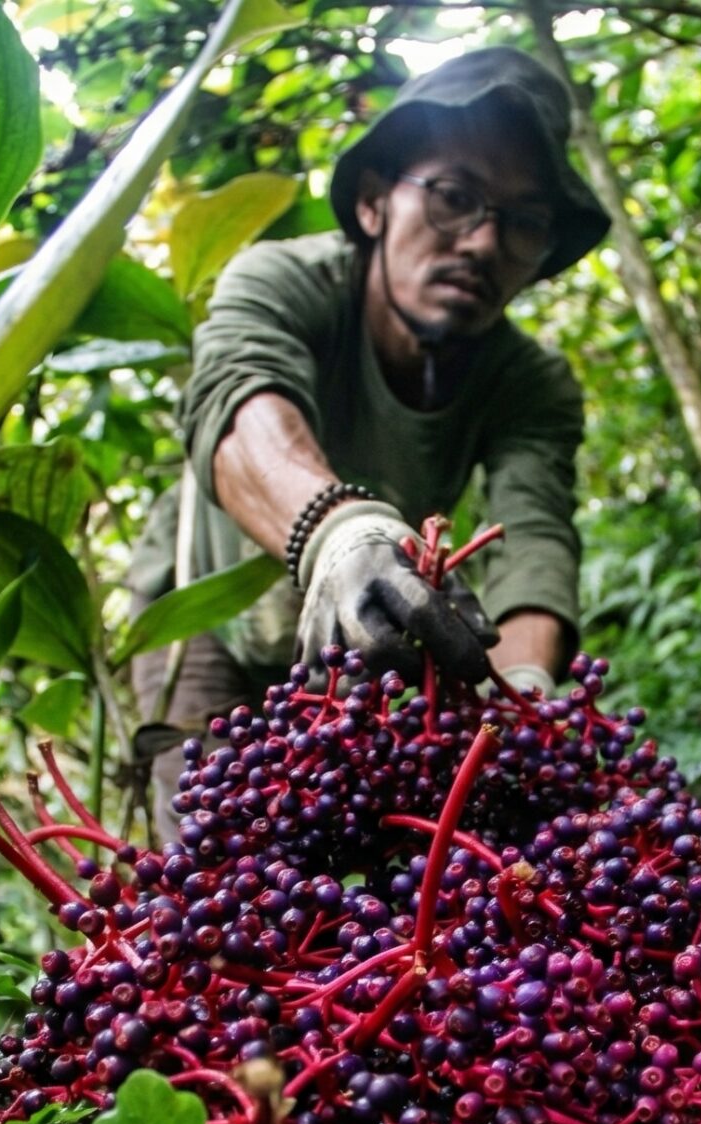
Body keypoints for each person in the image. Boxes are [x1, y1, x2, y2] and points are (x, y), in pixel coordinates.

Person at [126, 46, 611, 833]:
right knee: (209, 858)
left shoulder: (529, 382)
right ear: (376, 203)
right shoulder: (281, 281)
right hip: (209, 611)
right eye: (455, 196)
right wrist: (338, 531)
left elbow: (533, 536)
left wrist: (521, 695)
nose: (484, 244)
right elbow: (240, 401)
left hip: (370, 641)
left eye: (522, 222)